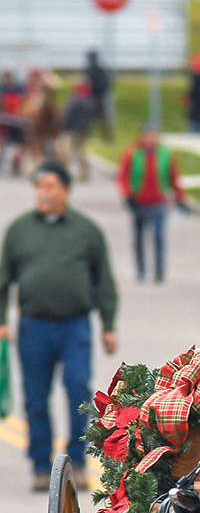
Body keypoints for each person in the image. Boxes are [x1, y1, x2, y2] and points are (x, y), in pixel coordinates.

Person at [0, 160, 118, 490]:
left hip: (74, 326)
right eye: (39, 186)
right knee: (36, 398)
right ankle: (41, 466)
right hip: (33, 327)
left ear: (65, 190)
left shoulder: (86, 230)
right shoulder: (20, 230)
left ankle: (77, 462)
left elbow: (103, 282)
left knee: (78, 389)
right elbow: (3, 280)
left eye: (50, 186)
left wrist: (108, 326)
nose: (43, 193)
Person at [117, 125, 188, 282]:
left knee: (158, 236)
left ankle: (159, 271)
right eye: (148, 136)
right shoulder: (131, 153)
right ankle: (141, 269)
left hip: (159, 202)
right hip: (139, 201)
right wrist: (127, 194)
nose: (151, 139)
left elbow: (174, 178)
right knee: (139, 237)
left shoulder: (166, 154)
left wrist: (181, 198)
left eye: (154, 136)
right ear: (141, 137)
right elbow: (123, 176)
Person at [55, 81, 94, 182]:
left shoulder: (74, 100)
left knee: (66, 152)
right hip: (83, 131)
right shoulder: (90, 101)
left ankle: (65, 173)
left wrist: (61, 125)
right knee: (81, 152)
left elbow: (67, 115)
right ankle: (84, 174)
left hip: (71, 130)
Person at [85, 51, 111, 140]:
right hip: (89, 97)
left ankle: (107, 135)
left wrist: (99, 92)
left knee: (102, 117)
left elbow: (104, 84)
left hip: (98, 97)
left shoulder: (99, 70)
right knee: (88, 117)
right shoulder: (88, 70)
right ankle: (86, 134)